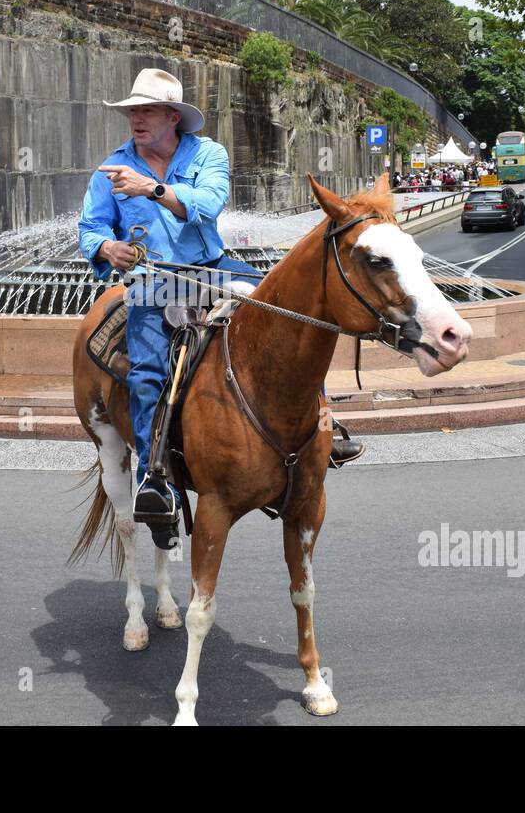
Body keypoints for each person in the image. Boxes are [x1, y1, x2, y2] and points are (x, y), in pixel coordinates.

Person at [78, 69, 359, 547]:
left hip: (212, 269)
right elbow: (89, 227)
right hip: (154, 283)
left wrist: (151, 189)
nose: (135, 119)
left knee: (295, 314)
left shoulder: (208, 153)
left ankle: (325, 423)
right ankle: (154, 480)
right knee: (147, 372)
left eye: (145, 111)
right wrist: (107, 249)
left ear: (173, 117)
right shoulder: (111, 169)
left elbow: (208, 205)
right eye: (131, 112)